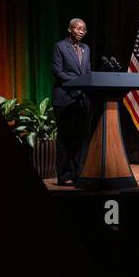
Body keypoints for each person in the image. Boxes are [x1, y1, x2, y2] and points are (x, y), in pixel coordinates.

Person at [51, 18, 92, 184]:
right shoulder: (60, 46)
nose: (81, 31)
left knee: (79, 138)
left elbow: (87, 71)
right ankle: (64, 175)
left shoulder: (86, 49)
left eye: (84, 29)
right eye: (78, 28)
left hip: (82, 99)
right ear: (70, 29)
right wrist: (77, 85)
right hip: (65, 98)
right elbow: (57, 71)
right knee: (65, 137)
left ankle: (77, 173)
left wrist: (87, 85)